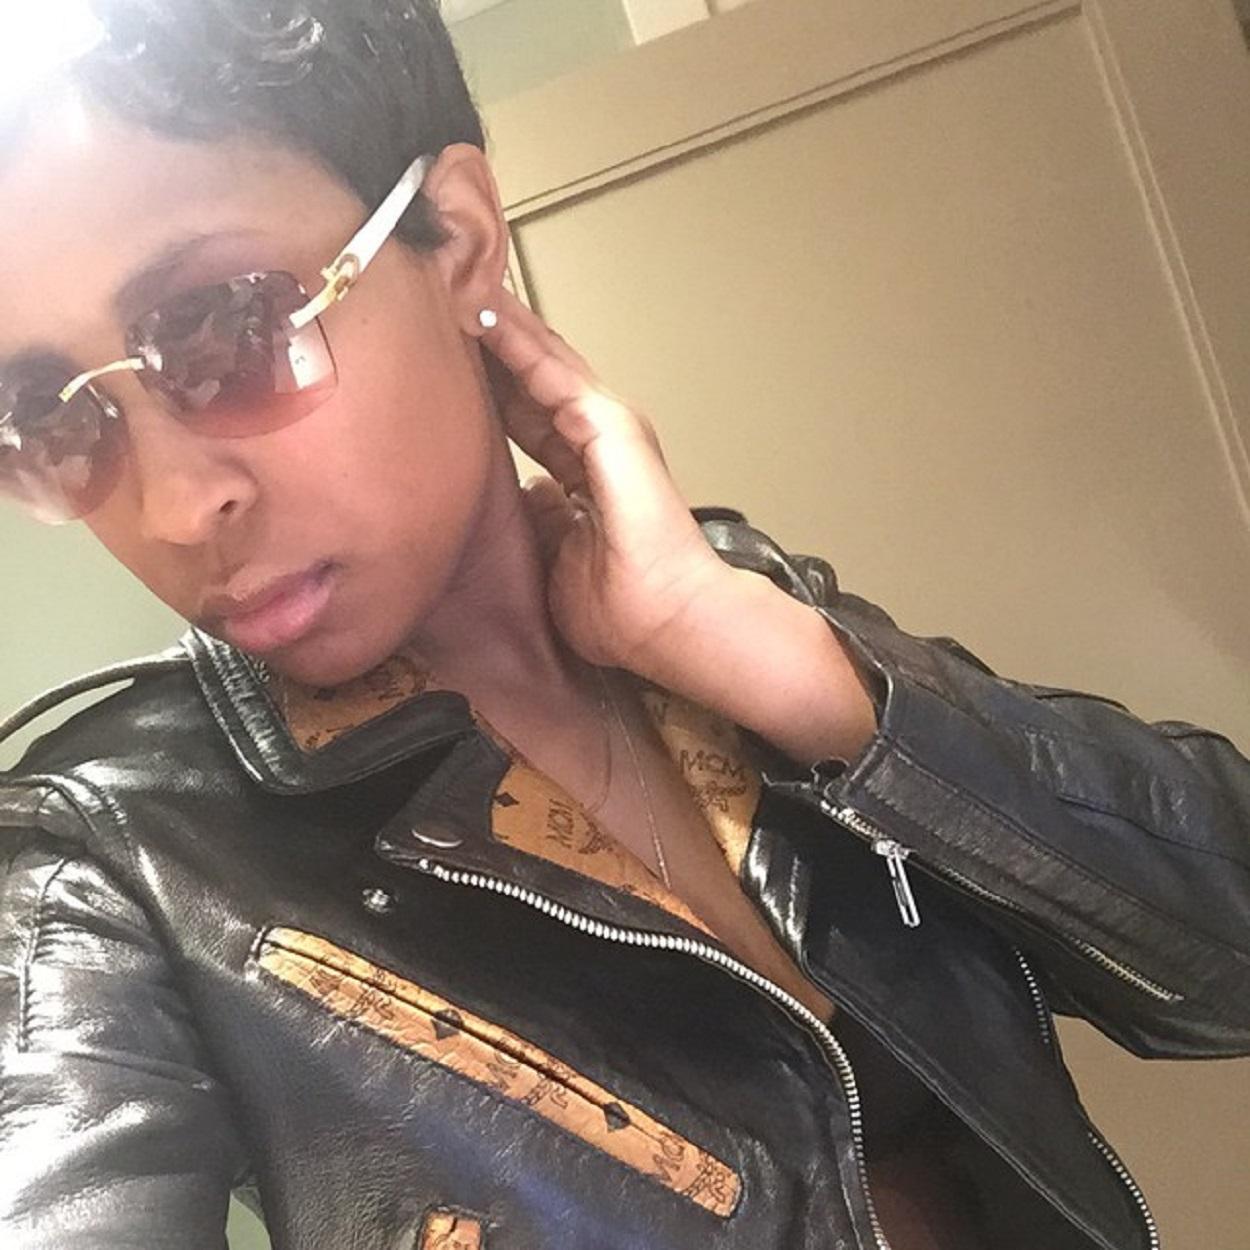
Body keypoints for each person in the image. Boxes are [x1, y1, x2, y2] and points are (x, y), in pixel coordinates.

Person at [0, 3, 1246, 1247]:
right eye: (50, 417)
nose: (172, 506)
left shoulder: (742, 609)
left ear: (459, 242)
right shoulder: (100, 862)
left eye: (225, 328)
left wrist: (807, 681)